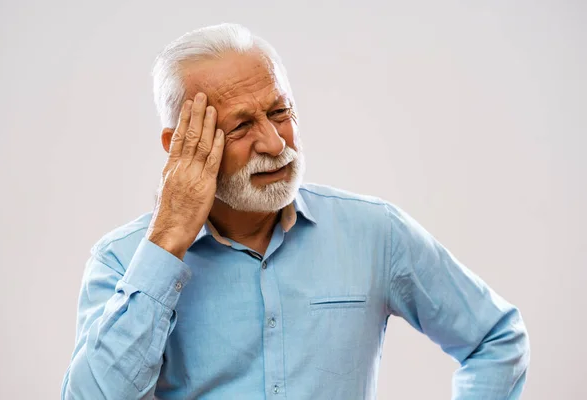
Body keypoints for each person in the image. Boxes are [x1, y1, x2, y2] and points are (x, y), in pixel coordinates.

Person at [61, 23, 530, 400]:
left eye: (280, 112)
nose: (274, 143)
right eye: (242, 124)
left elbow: (495, 338)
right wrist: (167, 243)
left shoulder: (374, 232)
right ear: (179, 144)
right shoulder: (121, 262)